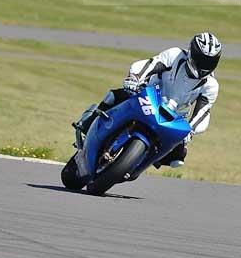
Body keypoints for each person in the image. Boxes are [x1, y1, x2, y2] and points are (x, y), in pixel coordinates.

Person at [76, 33, 222, 168]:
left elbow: (203, 111)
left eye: (210, 62)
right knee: (115, 96)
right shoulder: (176, 55)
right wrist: (135, 79)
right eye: (201, 59)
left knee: (178, 156)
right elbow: (151, 64)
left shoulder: (211, 85)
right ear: (192, 52)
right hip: (148, 96)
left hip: (174, 117)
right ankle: (88, 122)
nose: (204, 65)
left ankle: (140, 162)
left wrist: (190, 130)